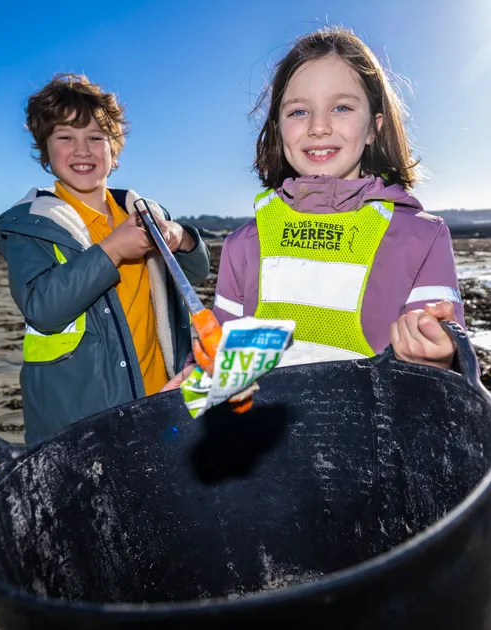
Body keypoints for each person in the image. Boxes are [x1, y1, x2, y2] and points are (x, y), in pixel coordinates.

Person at [164, 26, 464, 391]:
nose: (319, 127)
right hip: (267, 445)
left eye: (342, 107)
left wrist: (438, 357)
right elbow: (223, 363)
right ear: (277, 129)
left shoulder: (422, 237)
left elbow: (448, 373)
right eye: (299, 111)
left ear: (374, 127)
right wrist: (194, 386)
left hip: (377, 444)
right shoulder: (244, 243)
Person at [0, 73, 210, 443]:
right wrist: (113, 250)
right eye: (65, 137)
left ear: (115, 149)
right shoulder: (33, 223)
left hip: (165, 391)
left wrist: (181, 237)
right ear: (45, 150)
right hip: (82, 415)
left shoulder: (139, 210)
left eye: (96, 137)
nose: (82, 150)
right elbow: (42, 306)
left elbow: (195, 271)